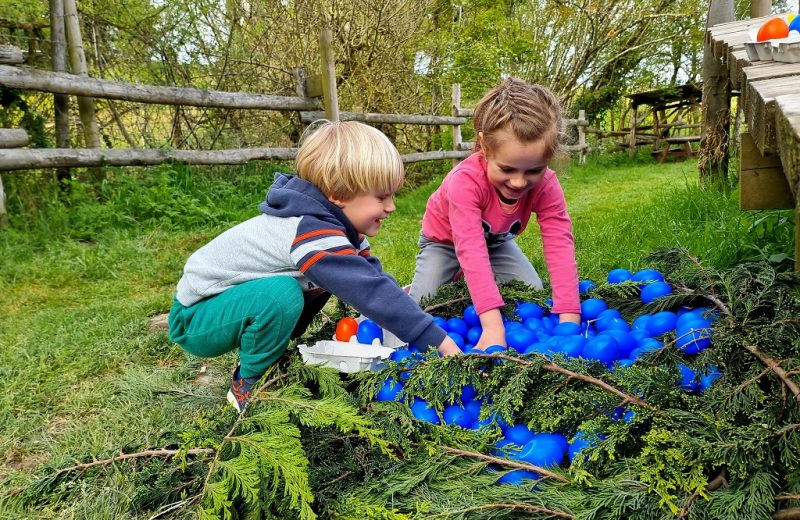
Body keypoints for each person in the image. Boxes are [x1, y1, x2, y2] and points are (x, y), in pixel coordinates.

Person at [168, 121, 461, 412]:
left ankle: (271, 351)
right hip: (196, 318)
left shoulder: (340, 232)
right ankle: (247, 382)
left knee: (329, 279)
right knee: (281, 296)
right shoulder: (309, 232)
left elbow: (371, 279)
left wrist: (401, 306)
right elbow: (369, 291)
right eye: (382, 196)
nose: (391, 206)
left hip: (230, 305)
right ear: (338, 193)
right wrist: (437, 341)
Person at [409, 78, 581, 350]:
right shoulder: (464, 182)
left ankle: (474, 285)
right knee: (422, 308)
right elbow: (470, 249)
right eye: (508, 169)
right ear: (484, 148)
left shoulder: (547, 184)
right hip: (445, 243)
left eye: (533, 171)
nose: (519, 183)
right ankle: (414, 288)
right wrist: (492, 326)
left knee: (531, 293)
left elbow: (559, 244)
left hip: (497, 243)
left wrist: (569, 317)